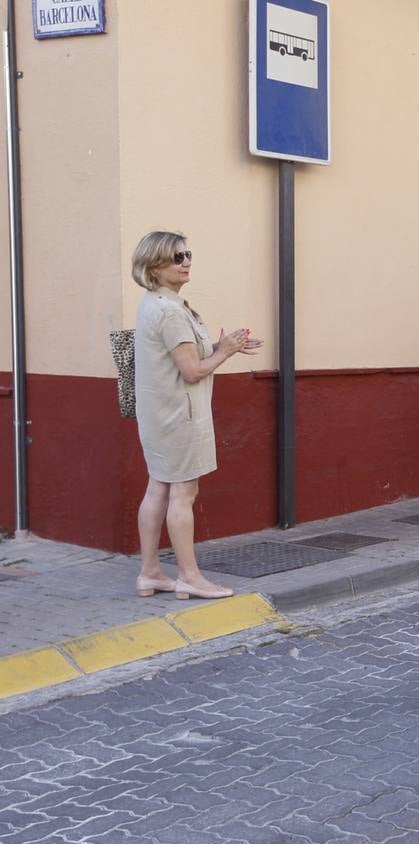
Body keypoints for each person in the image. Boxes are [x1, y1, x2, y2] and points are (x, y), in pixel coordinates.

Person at [131, 231, 262, 600]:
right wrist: (226, 352)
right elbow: (192, 371)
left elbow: (186, 357)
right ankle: (189, 577)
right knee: (183, 493)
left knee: (158, 486)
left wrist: (223, 344)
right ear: (154, 266)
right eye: (176, 257)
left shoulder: (154, 303)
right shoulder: (170, 311)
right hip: (179, 415)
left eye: (187, 254)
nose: (186, 261)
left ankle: (150, 573)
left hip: (159, 414)